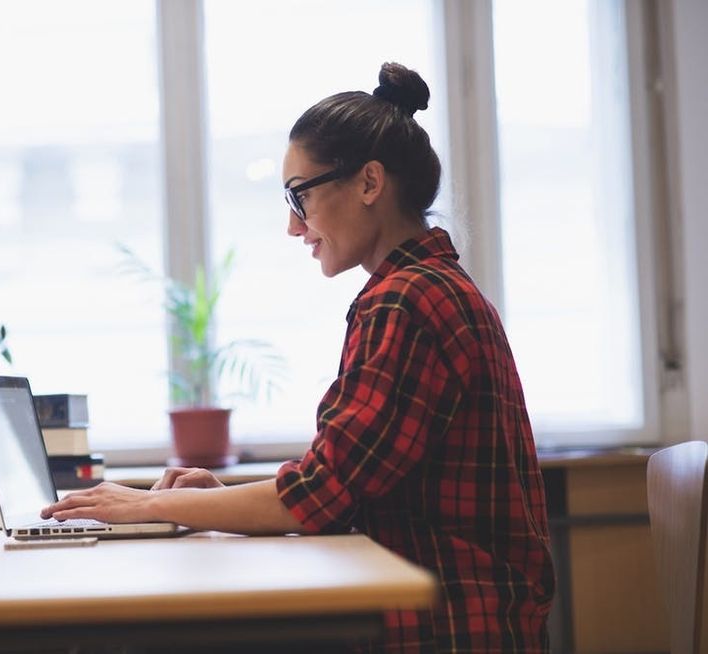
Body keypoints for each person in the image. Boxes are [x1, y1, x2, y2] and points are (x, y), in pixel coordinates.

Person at [42, 62, 554, 652]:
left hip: (449, 622)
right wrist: (209, 503)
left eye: (299, 196)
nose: (293, 226)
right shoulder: (428, 287)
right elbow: (341, 487)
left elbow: (319, 495)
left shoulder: (406, 302)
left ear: (368, 183)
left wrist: (150, 504)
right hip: (459, 608)